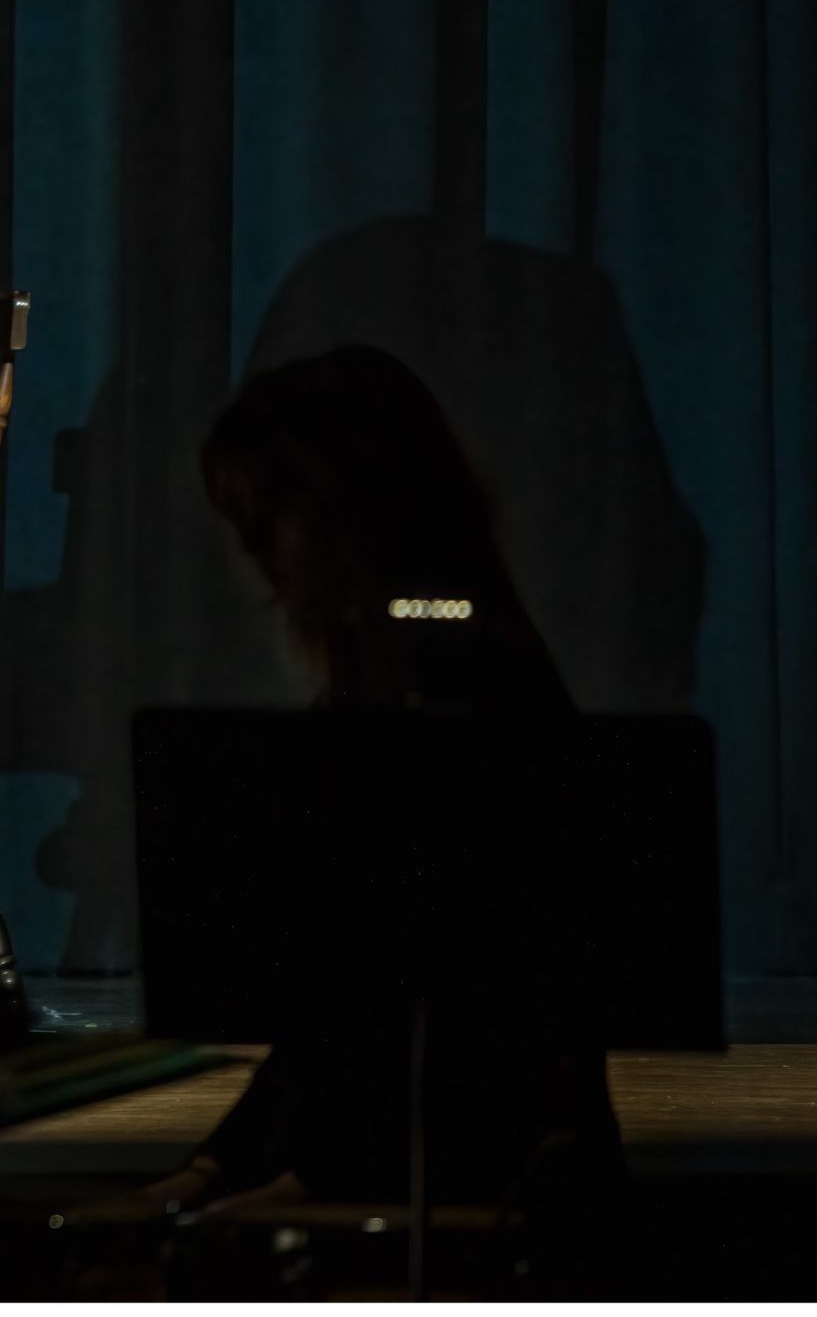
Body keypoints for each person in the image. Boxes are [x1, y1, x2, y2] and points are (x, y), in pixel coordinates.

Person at [147, 346, 623, 1215]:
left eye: (267, 522)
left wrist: (299, 1184)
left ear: (344, 511)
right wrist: (216, 1167)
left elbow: (468, 1019)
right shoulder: (413, 664)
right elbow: (346, 1008)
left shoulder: (456, 694)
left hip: (470, 1176)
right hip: (411, 1152)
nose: (262, 561)